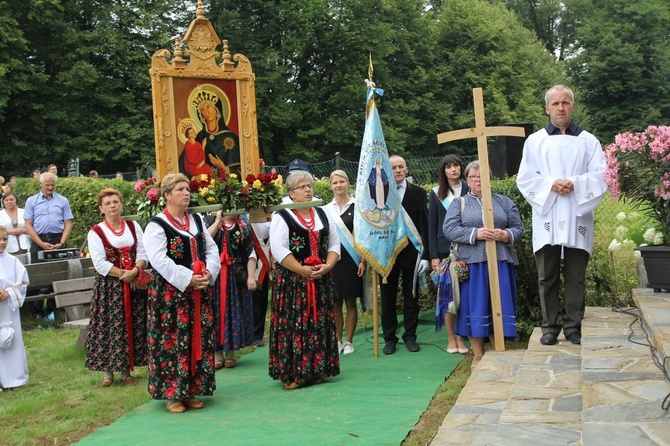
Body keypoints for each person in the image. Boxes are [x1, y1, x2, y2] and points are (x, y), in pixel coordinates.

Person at [517, 85, 607, 346]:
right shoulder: (535, 141)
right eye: (555, 103)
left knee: (576, 274)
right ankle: (549, 326)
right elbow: (525, 178)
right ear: (547, 108)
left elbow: (600, 175)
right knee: (547, 273)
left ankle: (572, 325)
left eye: (565, 102)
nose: (560, 108)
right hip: (548, 215)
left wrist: (576, 183)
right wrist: (550, 184)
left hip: (577, 214)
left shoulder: (589, 141)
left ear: (573, 106)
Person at [143, 173, 221, 413]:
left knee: (196, 337)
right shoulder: (156, 225)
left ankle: (191, 389)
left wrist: (208, 273)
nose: (186, 193)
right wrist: (188, 279)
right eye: (180, 189)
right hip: (170, 294)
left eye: (187, 189)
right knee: (172, 340)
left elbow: (211, 248)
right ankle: (172, 394)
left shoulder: (196, 220)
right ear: (167, 195)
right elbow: (158, 259)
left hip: (198, 291)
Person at [443, 161, 523, 367]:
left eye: (482, 177)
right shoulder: (459, 203)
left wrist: (505, 234)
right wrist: (475, 233)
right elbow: (449, 229)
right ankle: (478, 354)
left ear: (490, 179)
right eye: (473, 177)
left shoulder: (504, 202)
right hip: (473, 264)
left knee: (501, 303)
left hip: (500, 262)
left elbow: (518, 229)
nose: (478, 181)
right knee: (475, 306)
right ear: (467, 180)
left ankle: (499, 350)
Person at [269, 170, 340, 389]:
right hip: (293, 283)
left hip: (320, 279)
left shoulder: (322, 213)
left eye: (309, 186)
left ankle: (317, 370)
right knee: (294, 324)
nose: (308, 190)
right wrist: (302, 270)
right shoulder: (282, 216)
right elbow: (278, 249)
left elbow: (334, 243)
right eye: (302, 187)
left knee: (318, 323)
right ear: (291, 193)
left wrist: (327, 266)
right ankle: (293, 374)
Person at [86, 189, 149, 387]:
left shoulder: (133, 225)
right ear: (101, 208)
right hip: (110, 287)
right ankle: (107, 374)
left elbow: (143, 252)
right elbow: (99, 263)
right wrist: (125, 274)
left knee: (132, 325)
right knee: (109, 326)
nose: (112, 206)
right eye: (108, 203)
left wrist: (136, 269)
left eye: (115, 202)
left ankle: (126, 372)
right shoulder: (96, 231)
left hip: (134, 284)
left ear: (121, 204)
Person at [380, 155, 430, 355]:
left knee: (412, 297)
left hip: (412, 253)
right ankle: (389, 339)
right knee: (388, 298)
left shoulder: (418, 193)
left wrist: (426, 255)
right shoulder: (379, 194)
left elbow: (424, 225)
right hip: (387, 253)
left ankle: (410, 336)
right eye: (393, 167)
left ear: (406, 170)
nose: (398, 170)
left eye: (401, 167)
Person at [428, 155, 469, 355]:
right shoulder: (436, 194)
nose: (453, 170)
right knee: (448, 295)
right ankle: (451, 337)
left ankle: (463, 336)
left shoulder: (470, 189)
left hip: (469, 248)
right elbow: (432, 226)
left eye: (456, 166)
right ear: (443, 171)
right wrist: (433, 255)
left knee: (466, 296)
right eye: (449, 167)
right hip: (445, 252)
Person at [207, 211, 256, 369]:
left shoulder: (243, 227)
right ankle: (217, 354)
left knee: (234, 312)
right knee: (214, 312)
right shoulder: (209, 221)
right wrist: (218, 221)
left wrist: (250, 276)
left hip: (235, 276)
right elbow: (203, 239)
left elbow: (250, 253)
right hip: (215, 275)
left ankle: (230, 354)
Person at [24, 172, 74, 317]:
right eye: (48, 185)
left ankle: (55, 310)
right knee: (37, 276)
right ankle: (37, 311)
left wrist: (62, 242)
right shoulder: (31, 201)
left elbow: (68, 223)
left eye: (53, 185)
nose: (50, 187)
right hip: (38, 240)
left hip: (57, 239)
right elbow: (28, 225)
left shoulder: (63, 200)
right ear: (41, 184)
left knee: (57, 275)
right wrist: (40, 243)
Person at [326, 170, 365, 355]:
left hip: (352, 260)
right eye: (335, 183)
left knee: (350, 301)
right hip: (333, 261)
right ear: (331, 185)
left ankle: (349, 341)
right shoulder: (326, 209)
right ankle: (337, 340)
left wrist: (363, 260)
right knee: (335, 302)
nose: (338, 185)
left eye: (342, 181)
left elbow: (363, 236)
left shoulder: (358, 206)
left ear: (348, 182)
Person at [0, 225, 30, 390]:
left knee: (11, 342)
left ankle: (13, 377)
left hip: (8, 310)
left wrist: (10, 292)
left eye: (5, 239)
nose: (2, 243)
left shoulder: (13, 262)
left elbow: (23, 283)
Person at [196, 95, 241, 175]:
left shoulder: (232, 137)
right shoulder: (199, 138)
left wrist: (223, 168)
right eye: (203, 110)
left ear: (217, 110)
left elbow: (242, 172)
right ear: (200, 115)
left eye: (208, 107)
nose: (206, 112)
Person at [0, 192, 30, 264]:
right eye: (6, 200)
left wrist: (24, 230)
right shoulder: (0, 214)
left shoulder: (24, 212)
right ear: (3, 202)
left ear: (16, 200)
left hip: (24, 246)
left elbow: (32, 227)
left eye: (11, 199)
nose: (9, 202)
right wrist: (10, 231)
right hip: (9, 248)